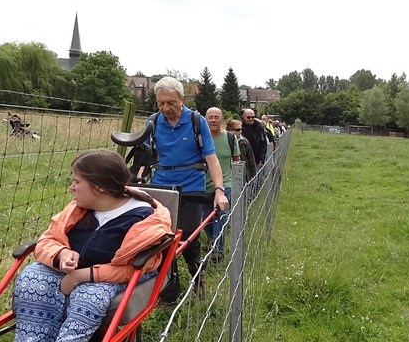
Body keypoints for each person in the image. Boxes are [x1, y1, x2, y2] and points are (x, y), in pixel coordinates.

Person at [12, 149, 172, 342]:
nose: (72, 187)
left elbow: (135, 268)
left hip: (111, 277)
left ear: (100, 187)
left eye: (77, 182)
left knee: (89, 298)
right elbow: (48, 239)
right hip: (68, 271)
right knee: (32, 277)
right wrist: (61, 254)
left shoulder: (144, 222)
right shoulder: (78, 209)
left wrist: (82, 276)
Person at [150, 76, 229, 298]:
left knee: (188, 238)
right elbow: (144, 157)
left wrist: (219, 190)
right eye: (161, 103)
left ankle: (198, 279)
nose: (165, 108)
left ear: (181, 99)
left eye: (171, 103)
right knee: (161, 238)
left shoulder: (196, 121)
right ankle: (168, 290)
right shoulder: (154, 122)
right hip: (162, 185)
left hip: (191, 186)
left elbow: (211, 159)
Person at [202, 107, 240, 262]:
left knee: (221, 215)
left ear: (221, 119)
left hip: (225, 183)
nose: (213, 120)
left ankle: (218, 250)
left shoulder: (230, 138)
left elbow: (237, 160)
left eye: (216, 117)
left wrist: (237, 180)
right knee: (206, 219)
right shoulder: (200, 138)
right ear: (205, 119)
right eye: (210, 117)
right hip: (204, 184)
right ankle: (214, 240)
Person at [227, 118, 257, 184]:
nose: (240, 131)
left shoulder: (244, 141)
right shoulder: (225, 141)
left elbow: (251, 159)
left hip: (243, 174)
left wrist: (253, 176)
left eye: (241, 129)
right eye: (237, 130)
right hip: (228, 175)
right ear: (230, 130)